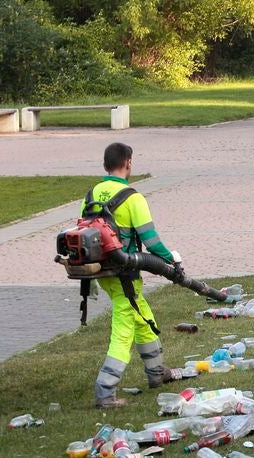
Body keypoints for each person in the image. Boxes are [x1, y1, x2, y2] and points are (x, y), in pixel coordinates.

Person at [83, 142, 184, 408]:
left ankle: (156, 373)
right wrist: (171, 260)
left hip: (102, 271)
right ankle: (105, 392)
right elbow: (151, 242)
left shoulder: (92, 193)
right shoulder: (133, 197)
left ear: (106, 164)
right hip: (125, 272)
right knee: (123, 329)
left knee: (143, 317)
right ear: (128, 162)